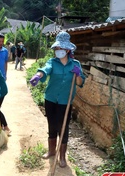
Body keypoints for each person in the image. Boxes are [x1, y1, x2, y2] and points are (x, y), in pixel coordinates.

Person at [29, 31, 85, 168]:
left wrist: (78, 74)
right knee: (52, 125)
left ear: (67, 49)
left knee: (64, 128)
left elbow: (79, 83)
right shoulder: (52, 62)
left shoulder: (75, 64)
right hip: (51, 99)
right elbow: (45, 70)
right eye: (57, 48)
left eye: (61, 48)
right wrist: (38, 75)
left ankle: (62, 157)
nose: (58, 51)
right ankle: (51, 151)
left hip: (65, 101)